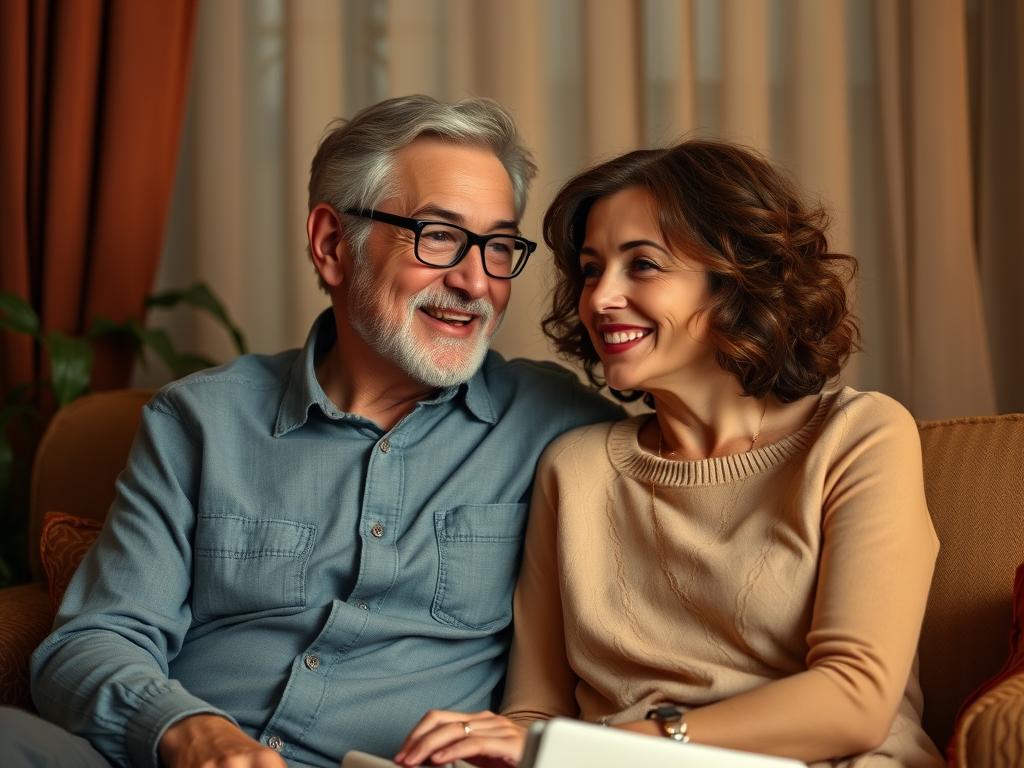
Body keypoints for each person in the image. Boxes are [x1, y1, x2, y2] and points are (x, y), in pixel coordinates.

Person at [0, 95, 622, 768]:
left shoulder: (558, 428)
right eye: (438, 236)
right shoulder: (201, 420)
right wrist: (189, 733)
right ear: (332, 245)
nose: (476, 281)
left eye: (498, 245)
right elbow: (93, 639)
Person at [396, 140, 944, 767]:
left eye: (644, 266)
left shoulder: (859, 436)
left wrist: (606, 747)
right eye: (592, 268)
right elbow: (536, 712)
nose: (601, 298)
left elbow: (855, 701)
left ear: (737, 278)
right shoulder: (574, 469)